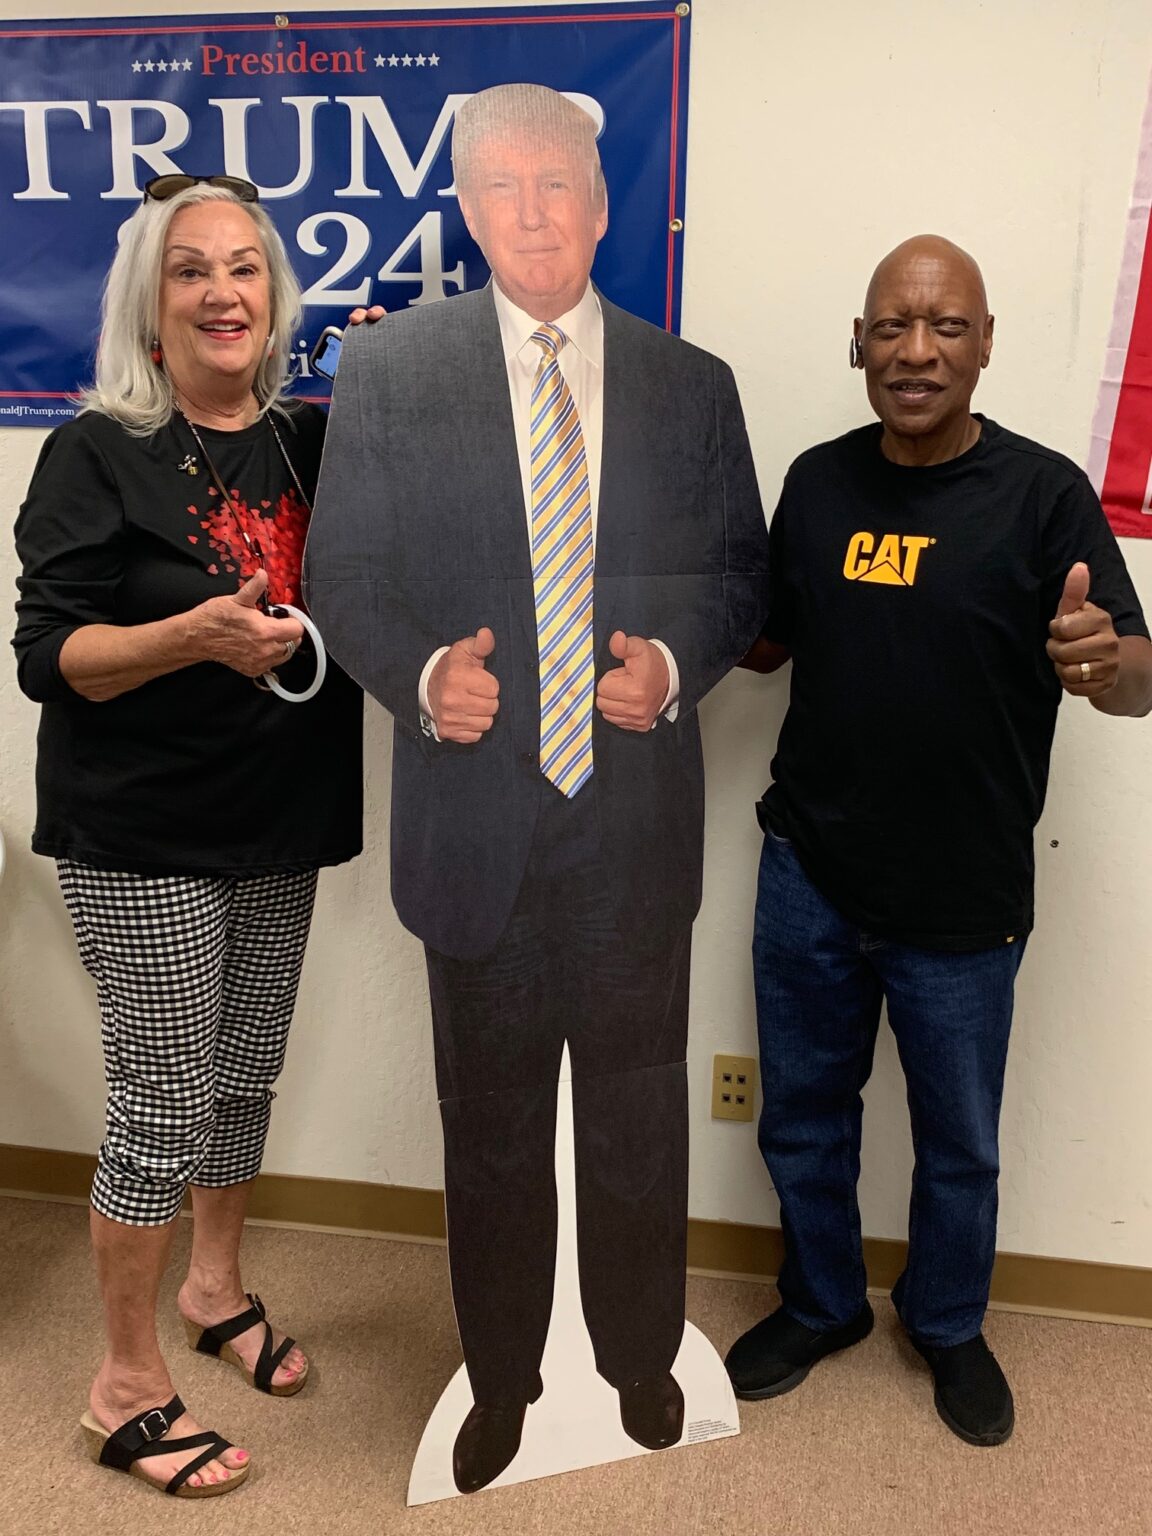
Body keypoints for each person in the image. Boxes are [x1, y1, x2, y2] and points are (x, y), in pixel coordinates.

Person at [305, 84, 770, 1494]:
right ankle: (503, 1379)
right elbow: (343, 577)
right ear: (466, 206)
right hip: (476, 825)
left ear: (603, 202)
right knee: (493, 1129)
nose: (531, 212)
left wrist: (672, 666)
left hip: (632, 828)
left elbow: (740, 577)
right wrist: (423, 674)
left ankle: (636, 1359)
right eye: (501, 186)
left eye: (556, 182)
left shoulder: (692, 384)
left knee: (635, 1118)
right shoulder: (393, 372)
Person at [725, 235, 1152, 1447]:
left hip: (964, 896)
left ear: (984, 345)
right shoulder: (818, 482)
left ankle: (948, 1322)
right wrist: (665, 601)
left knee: (960, 1144)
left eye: (946, 326)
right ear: (859, 344)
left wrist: (1104, 663)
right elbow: (766, 641)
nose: (916, 352)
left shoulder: (1043, 494)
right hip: (809, 874)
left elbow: (1136, 673)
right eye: (893, 327)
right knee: (802, 1116)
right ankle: (820, 1303)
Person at [12, 176, 362, 1498]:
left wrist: (400, 389)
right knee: (161, 1100)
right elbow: (49, 658)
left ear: (276, 298)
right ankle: (122, 1384)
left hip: (282, 814)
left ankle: (214, 1287)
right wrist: (189, 639)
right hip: (143, 829)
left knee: (243, 1075)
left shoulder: (315, 441)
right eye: (190, 270)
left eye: (245, 268)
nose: (223, 291)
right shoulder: (96, 450)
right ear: (149, 308)